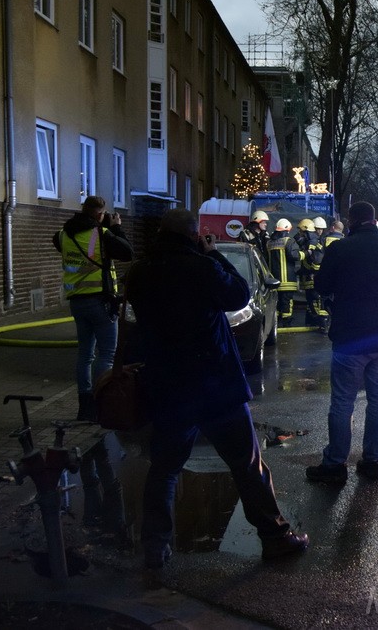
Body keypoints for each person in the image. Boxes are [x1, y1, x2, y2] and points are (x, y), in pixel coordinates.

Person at [126, 209, 307, 587]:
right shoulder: (202, 269)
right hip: (215, 386)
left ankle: (155, 549)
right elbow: (239, 293)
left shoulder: (141, 273)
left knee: (164, 469)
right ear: (195, 236)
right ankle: (275, 537)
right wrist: (213, 253)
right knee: (247, 464)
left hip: (169, 387)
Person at [306, 201, 378, 484]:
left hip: (350, 335)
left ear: (351, 221)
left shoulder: (339, 249)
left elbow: (322, 286)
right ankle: (373, 461)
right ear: (374, 219)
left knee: (343, 401)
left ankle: (335, 464)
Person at [52, 195, 133, 421]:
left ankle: (84, 405)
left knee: (85, 355)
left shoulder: (63, 234)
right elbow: (127, 252)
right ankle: (100, 404)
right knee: (107, 354)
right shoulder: (102, 234)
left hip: (77, 302)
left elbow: (64, 244)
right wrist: (115, 228)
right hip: (100, 301)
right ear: (100, 214)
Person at [267, 218, 303, 327]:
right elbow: (295, 256)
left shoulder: (269, 242)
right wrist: (305, 253)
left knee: (277, 302)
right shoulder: (288, 241)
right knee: (287, 301)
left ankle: (276, 322)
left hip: (273, 280)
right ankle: (286, 322)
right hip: (287, 279)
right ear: (287, 230)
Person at [295, 218, 326, 330]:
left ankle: (321, 323)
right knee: (311, 300)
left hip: (313, 276)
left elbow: (316, 261)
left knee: (315, 300)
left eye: (301, 231)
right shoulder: (311, 241)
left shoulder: (313, 242)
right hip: (310, 275)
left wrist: (311, 271)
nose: (299, 234)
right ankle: (313, 321)